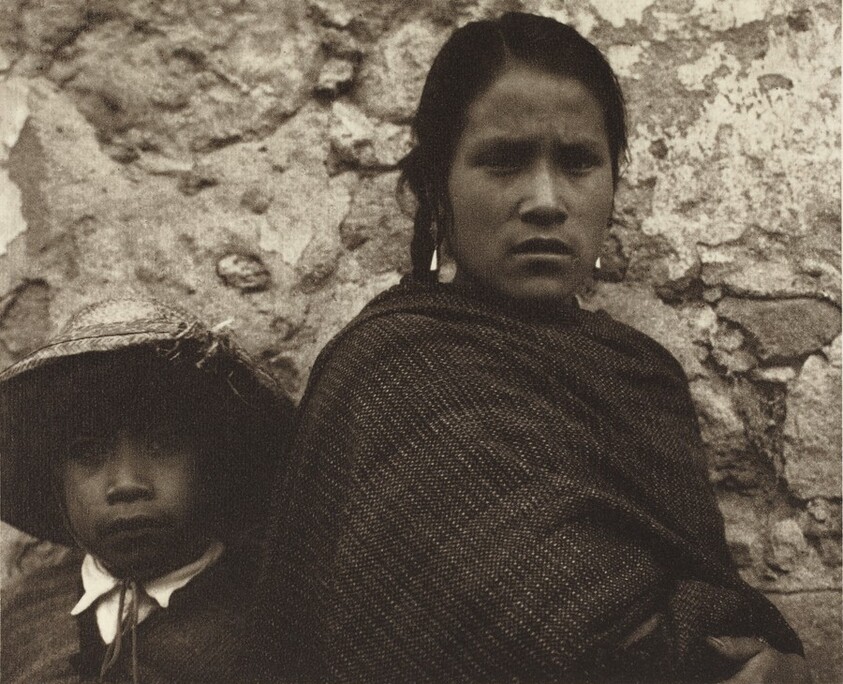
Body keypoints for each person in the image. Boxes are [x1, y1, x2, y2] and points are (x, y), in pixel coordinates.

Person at [251, 12, 810, 683]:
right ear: (436, 185)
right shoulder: (387, 377)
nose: (545, 200)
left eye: (577, 162)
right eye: (502, 160)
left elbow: (712, 611)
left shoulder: (641, 376)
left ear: (612, 183)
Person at [0, 297, 293, 684]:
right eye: (87, 452)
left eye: (163, 445)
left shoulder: (271, 624)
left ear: (215, 463)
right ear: (56, 482)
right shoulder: (23, 616)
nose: (125, 485)